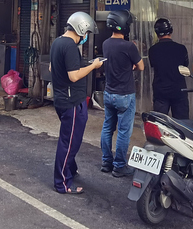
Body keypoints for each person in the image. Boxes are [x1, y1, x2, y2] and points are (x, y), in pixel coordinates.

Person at [50, 11, 104, 194]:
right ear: (81, 29)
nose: (86, 37)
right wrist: (93, 66)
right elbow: (73, 76)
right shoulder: (70, 46)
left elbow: (53, 67)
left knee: (69, 139)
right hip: (71, 102)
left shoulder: (57, 42)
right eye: (86, 33)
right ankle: (62, 183)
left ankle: (70, 169)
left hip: (61, 99)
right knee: (69, 142)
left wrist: (82, 64)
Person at [100, 10, 144, 177]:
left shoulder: (105, 44)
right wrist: (131, 65)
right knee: (124, 131)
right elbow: (141, 66)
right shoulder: (129, 46)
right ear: (125, 25)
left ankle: (106, 162)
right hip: (125, 95)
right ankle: (119, 166)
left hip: (109, 93)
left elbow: (114, 62)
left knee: (107, 127)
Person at [147, 18, 190, 119]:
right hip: (179, 90)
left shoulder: (153, 50)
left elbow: (154, 65)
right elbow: (185, 65)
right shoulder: (181, 48)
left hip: (160, 91)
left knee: (160, 123)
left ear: (156, 33)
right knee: (181, 123)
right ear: (171, 31)